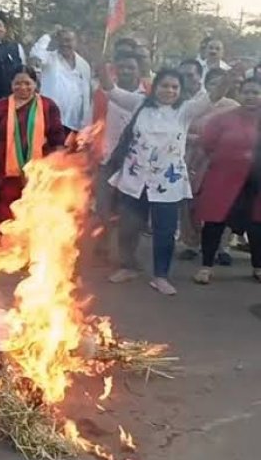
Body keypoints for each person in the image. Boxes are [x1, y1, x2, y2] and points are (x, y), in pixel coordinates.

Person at [103, 67, 225, 295]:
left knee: (165, 231)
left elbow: (214, 96)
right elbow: (110, 90)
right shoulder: (139, 103)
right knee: (128, 227)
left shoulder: (186, 111)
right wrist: (101, 66)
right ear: (155, 87)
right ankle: (128, 267)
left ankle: (161, 276)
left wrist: (232, 76)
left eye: (174, 87)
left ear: (180, 91)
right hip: (134, 179)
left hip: (168, 184)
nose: (169, 91)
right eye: (164, 86)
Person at [193, 76, 261, 284]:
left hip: (256, 184)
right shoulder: (223, 119)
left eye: (256, 92)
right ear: (239, 93)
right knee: (214, 223)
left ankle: (258, 267)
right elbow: (206, 145)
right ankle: (206, 266)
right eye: (247, 91)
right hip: (223, 181)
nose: (251, 96)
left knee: (257, 226)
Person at [0, 65, 66, 226]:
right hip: (8, 170)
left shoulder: (48, 105)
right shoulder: (2, 105)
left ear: (35, 84)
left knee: (37, 210)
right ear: (11, 84)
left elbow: (57, 136)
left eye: (28, 83)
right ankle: (4, 246)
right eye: (18, 83)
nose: (23, 87)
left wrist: (58, 162)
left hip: (40, 170)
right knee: (7, 211)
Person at [178, 65, 239, 264]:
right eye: (213, 83)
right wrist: (198, 139)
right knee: (190, 203)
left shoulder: (235, 107)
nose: (217, 87)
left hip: (224, 163)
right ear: (206, 85)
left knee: (223, 203)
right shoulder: (193, 105)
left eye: (221, 83)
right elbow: (179, 130)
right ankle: (191, 244)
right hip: (194, 158)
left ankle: (222, 247)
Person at [91, 51, 147, 258]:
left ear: (139, 70)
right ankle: (103, 243)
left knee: (131, 212)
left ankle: (127, 256)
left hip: (136, 164)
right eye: (121, 67)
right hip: (107, 158)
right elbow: (92, 121)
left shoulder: (149, 95)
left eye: (131, 67)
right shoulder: (104, 93)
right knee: (103, 207)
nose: (126, 71)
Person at [30, 27, 91, 134]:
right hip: (50, 119)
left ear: (76, 41)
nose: (64, 44)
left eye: (68, 40)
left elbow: (85, 96)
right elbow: (35, 55)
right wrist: (48, 35)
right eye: (61, 40)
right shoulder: (49, 58)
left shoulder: (84, 65)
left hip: (74, 124)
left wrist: (85, 123)